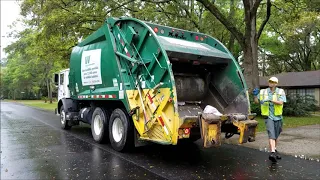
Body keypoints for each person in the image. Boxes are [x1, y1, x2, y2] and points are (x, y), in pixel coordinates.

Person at [252, 77, 286, 162]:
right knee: (271, 134)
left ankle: (274, 149)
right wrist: (255, 95)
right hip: (268, 116)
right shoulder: (263, 91)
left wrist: (270, 100)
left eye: (273, 82)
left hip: (278, 116)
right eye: (270, 81)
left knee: (276, 135)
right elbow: (256, 101)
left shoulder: (281, 92)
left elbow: (281, 102)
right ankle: (272, 152)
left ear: (276, 84)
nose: (271, 83)